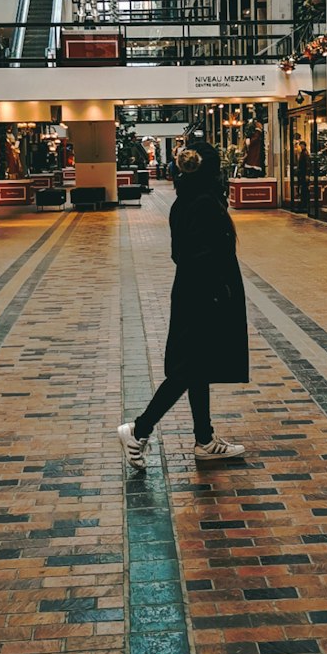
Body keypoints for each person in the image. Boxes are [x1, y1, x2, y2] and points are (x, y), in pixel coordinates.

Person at [118, 142, 246, 469]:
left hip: (193, 293)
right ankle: (139, 429)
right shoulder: (203, 202)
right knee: (185, 370)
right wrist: (219, 292)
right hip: (202, 298)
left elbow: (182, 253)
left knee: (196, 367)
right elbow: (198, 256)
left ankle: (204, 439)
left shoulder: (187, 198)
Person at [295, 139, 311, 208]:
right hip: (302, 174)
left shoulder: (305, 153)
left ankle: (304, 203)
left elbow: (307, 164)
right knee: (302, 189)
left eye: (301, 145)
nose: (300, 146)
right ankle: (303, 202)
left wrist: (307, 174)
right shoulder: (302, 152)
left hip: (303, 174)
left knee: (304, 189)